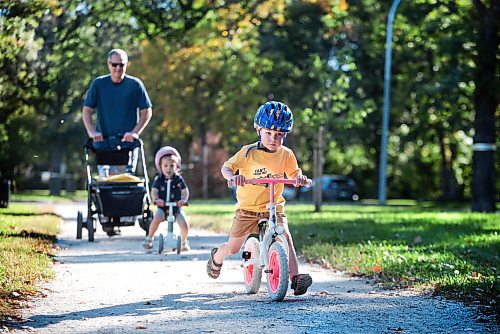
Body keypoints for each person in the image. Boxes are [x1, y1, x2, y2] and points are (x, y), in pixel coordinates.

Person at [206, 101, 312, 296]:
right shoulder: (248, 153)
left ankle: (296, 279)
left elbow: (295, 174)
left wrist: (299, 179)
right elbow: (226, 167)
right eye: (269, 133)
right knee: (233, 247)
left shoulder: (286, 155)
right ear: (258, 130)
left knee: (286, 237)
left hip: (274, 207)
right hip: (247, 209)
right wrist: (233, 177)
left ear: (285, 135)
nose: (273, 138)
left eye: (279, 135)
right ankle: (217, 257)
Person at [82, 48, 153, 176]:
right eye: (114, 65)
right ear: (108, 65)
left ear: (127, 65)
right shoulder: (98, 84)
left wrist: (135, 132)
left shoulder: (135, 85)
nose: (118, 68)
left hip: (127, 144)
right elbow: (87, 109)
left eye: (122, 65)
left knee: (127, 182)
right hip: (104, 143)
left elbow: (147, 111)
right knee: (106, 183)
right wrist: (91, 131)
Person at [143, 146, 190, 251]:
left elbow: (185, 191)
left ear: (177, 166)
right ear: (160, 167)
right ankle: (149, 238)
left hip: (176, 208)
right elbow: (154, 191)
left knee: (184, 223)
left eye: (172, 166)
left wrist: (183, 200)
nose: (169, 168)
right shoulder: (159, 180)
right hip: (163, 207)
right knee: (156, 218)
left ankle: (184, 242)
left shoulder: (178, 179)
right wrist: (156, 199)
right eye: (166, 166)